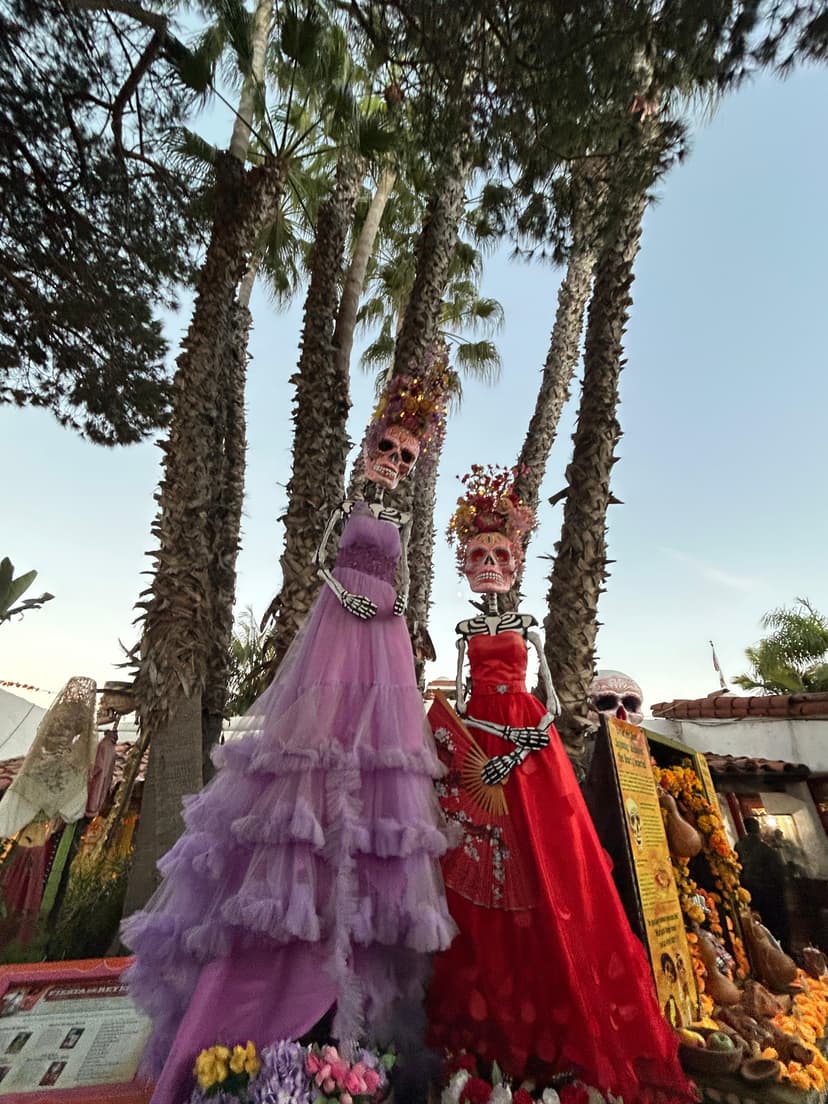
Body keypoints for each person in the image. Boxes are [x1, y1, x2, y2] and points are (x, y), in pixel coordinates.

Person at [122, 361, 457, 1104]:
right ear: (369, 447)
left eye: (406, 457)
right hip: (339, 629)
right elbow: (315, 558)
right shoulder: (351, 501)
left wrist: (395, 613)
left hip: (383, 641)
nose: (395, 463)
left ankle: (344, 1014)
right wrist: (347, 593)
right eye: (388, 449)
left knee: (377, 766)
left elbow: (407, 583)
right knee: (311, 744)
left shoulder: (404, 521)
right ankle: (272, 987)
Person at [426, 465, 694, 1103]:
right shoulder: (464, 635)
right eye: (478, 556)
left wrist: (520, 744)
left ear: (516, 564)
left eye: (500, 556)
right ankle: (486, 1036)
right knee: (483, 872)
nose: (489, 566)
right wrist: (477, 742)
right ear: (465, 566)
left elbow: (549, 704)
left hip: (528, 753)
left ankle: (557, 1036)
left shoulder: (527, 628)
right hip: (482, 751)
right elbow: (459, 702)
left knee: (552, 868)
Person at [735, 817, 791, 949]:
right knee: (776, 927)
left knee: (760, 929)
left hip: (750, 894)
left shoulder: (739, 846)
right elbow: (778, 874)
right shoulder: (765, 849)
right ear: (758, 829)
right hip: (770, 895)